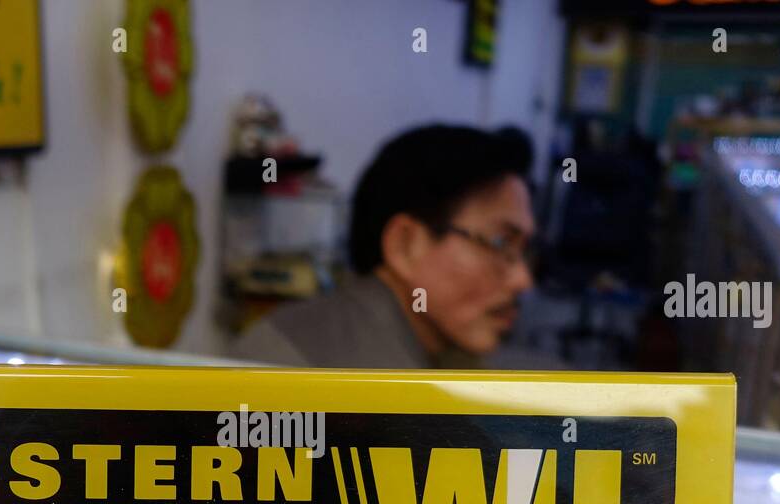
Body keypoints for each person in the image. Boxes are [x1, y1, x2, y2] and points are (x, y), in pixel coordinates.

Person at [230, 124, 562, 369]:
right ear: (406, 245)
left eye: (524, 251)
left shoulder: (432, 356)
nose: (522, 280)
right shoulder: (301, 377)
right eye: (501, 242)